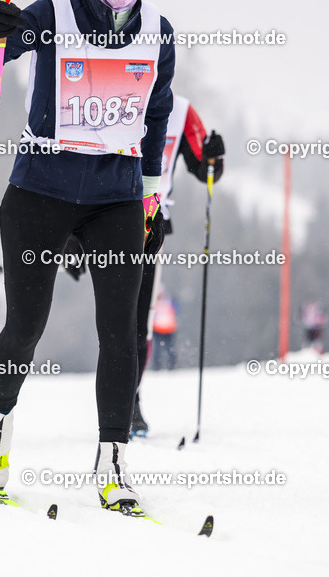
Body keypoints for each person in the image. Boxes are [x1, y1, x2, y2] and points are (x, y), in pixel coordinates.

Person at [0, 0, 175, 513]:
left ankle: (112, 463)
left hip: (115, 195)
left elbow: (157, 116)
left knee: (122, 331)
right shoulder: (55, 14)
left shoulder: (159, 30)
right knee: (27, 324)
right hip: (42, 192)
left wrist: (152, 189)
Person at [63, 94, 224, 437]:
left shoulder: (181, 111)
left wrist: (213, 158)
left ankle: (128, 401)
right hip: (100, 214)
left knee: (138, 323)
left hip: (149, 222)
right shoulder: (114, 91)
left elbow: (205, 167)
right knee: (111, 317)